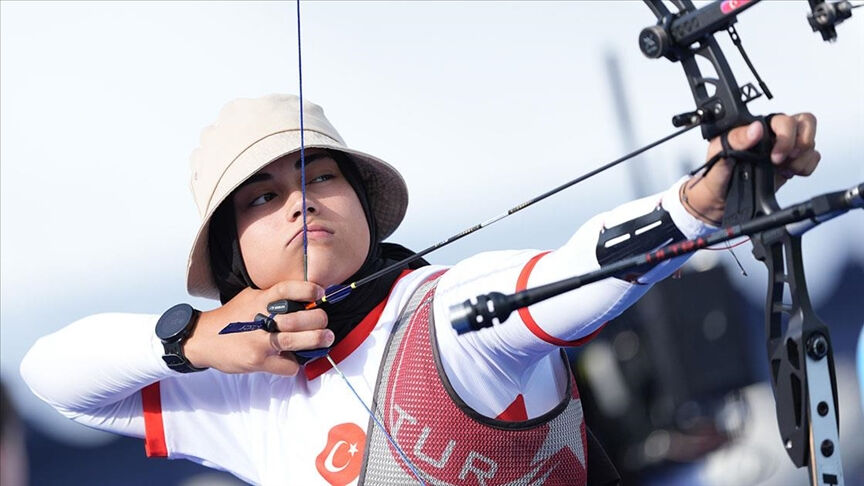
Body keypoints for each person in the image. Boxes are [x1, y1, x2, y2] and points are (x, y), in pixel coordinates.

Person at [20, 94, 819, 486]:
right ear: (234, 258)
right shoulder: (238, 397)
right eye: (261, 198)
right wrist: (193, 341)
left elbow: (575, 271)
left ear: (362, 205)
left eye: (318, 176)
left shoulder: (447, 309)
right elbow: (52, 377)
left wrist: (698, 205)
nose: (299, 201)